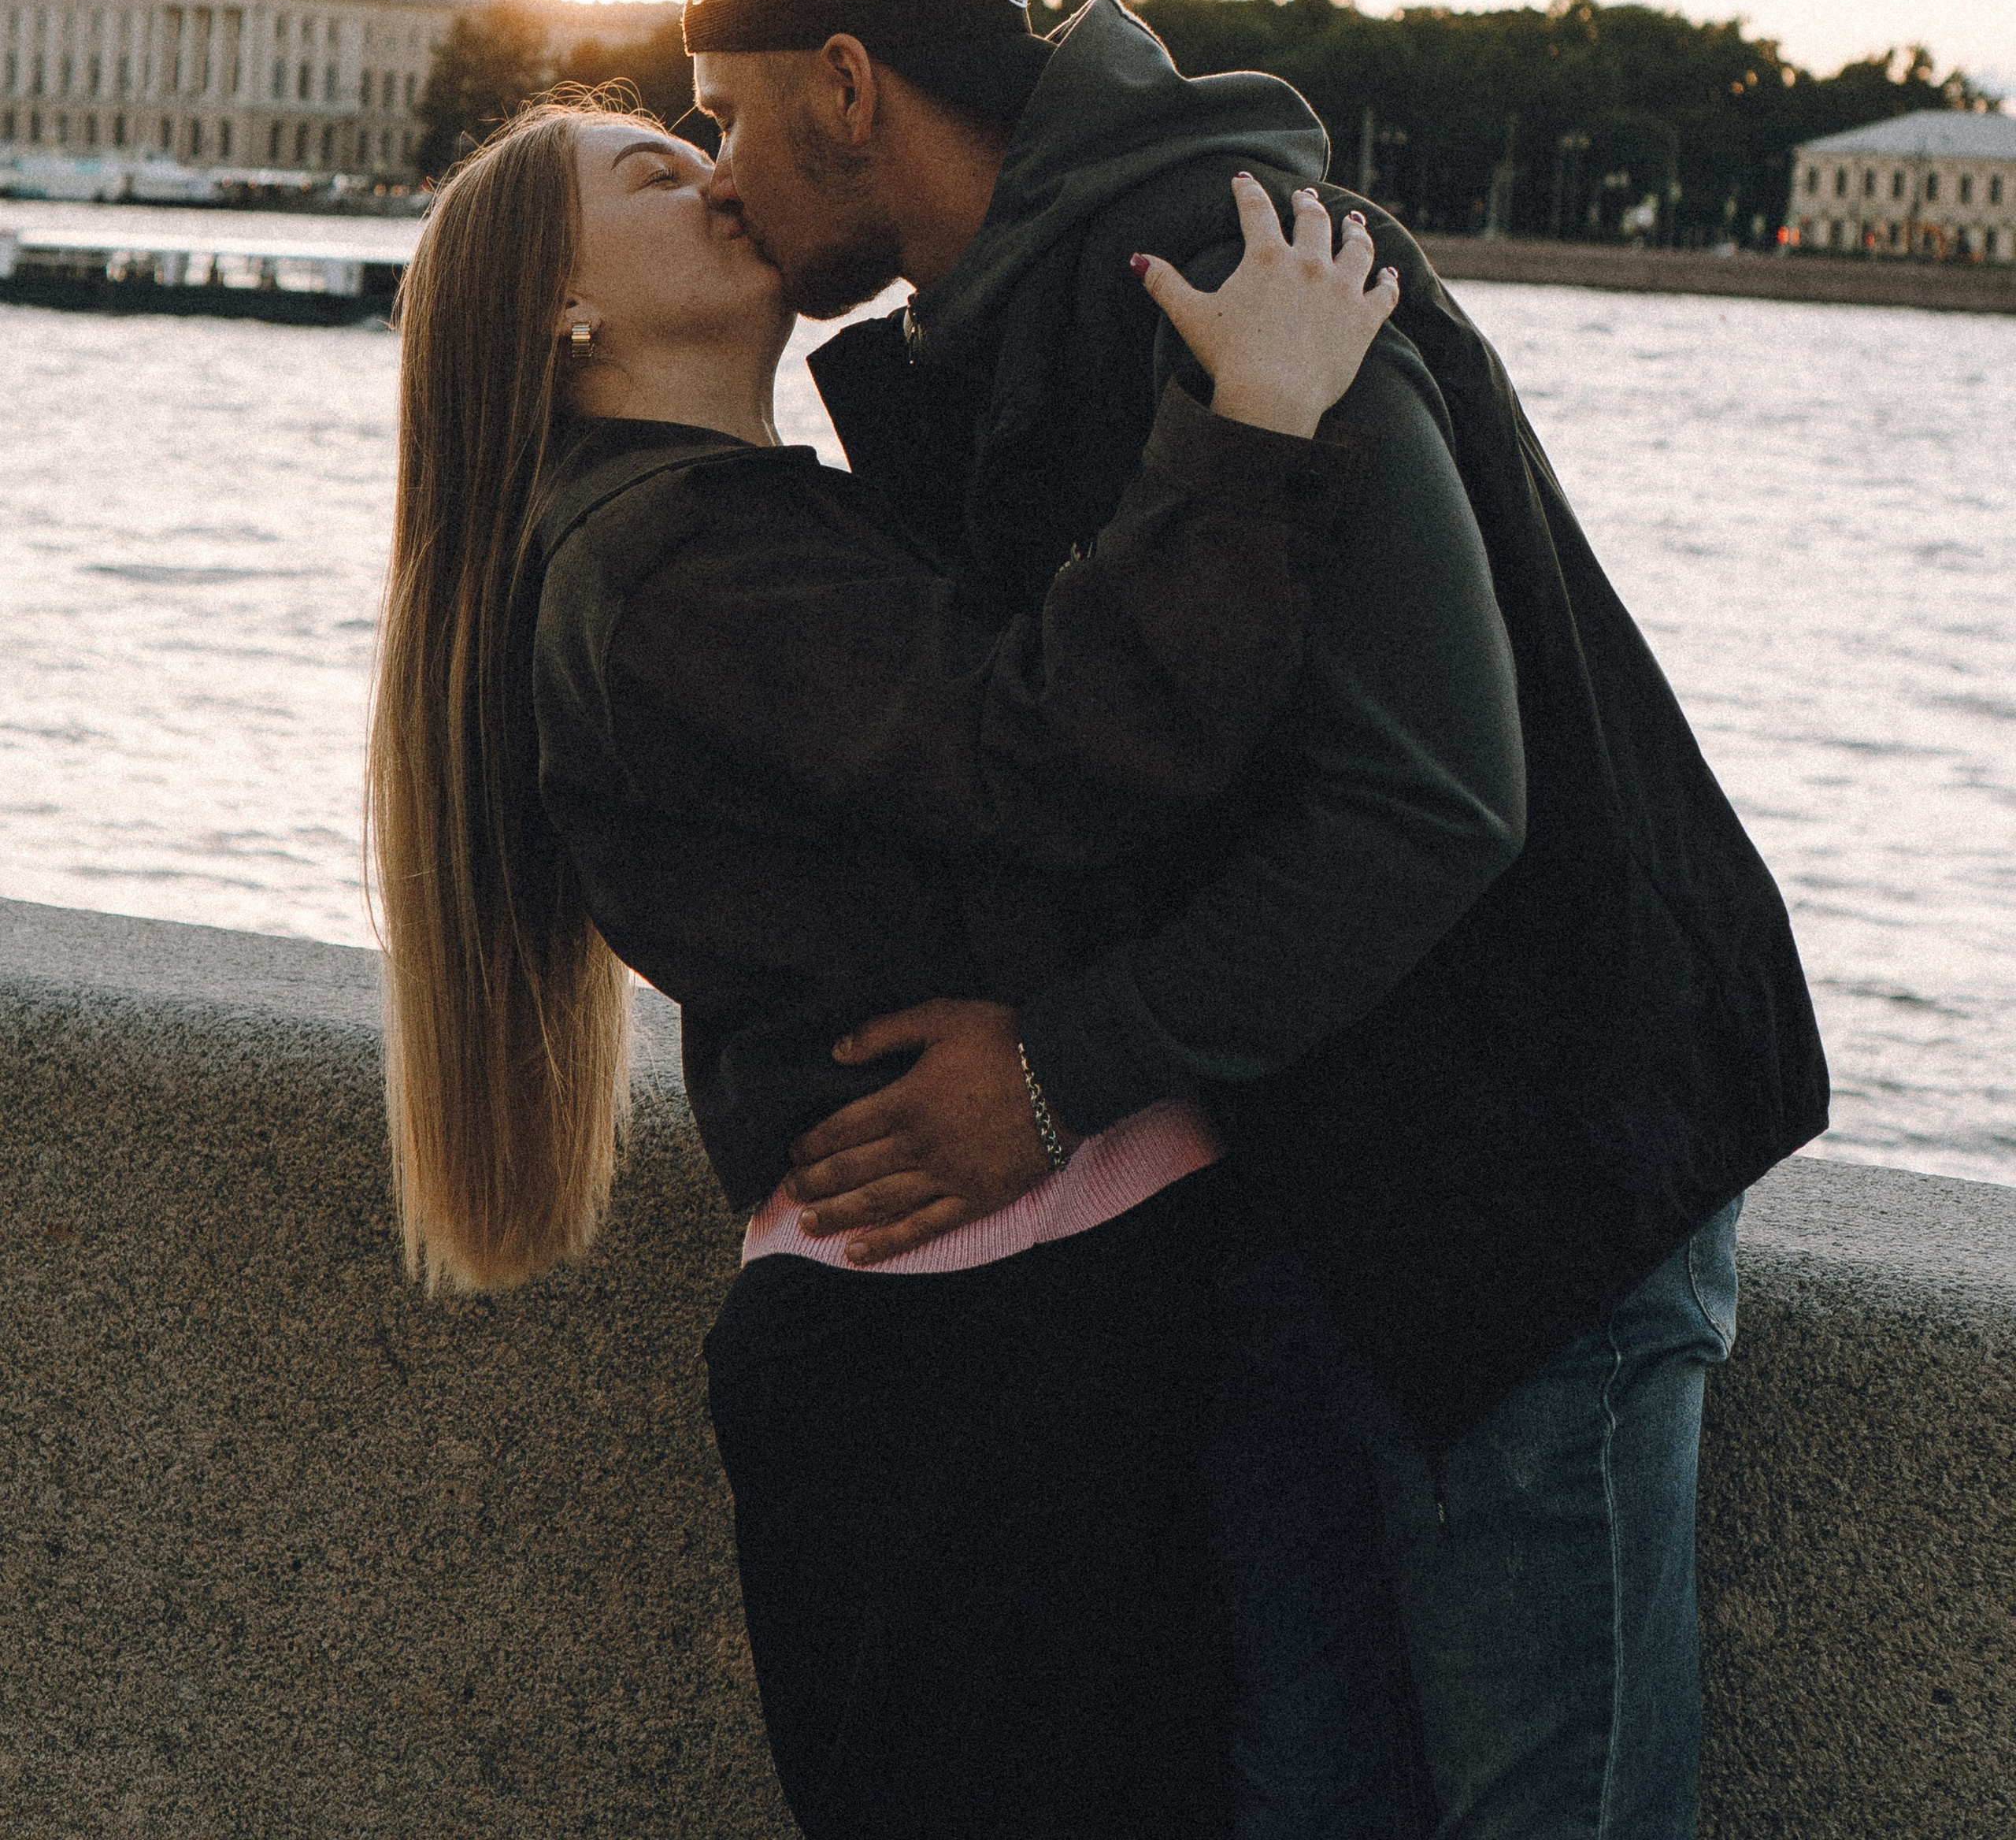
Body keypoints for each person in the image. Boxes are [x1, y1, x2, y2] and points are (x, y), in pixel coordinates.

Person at [685, 0, 1833, 1840]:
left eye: (720, 115)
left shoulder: (1226, 269)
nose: (711, 173)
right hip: (1328, 1175)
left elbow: (1431, 800)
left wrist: (1056, 1074)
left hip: (1522, 1179)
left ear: (846, 84)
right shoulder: (1036, 311)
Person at [367, 92, 1401, 1840]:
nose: (714, 169)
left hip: (968, 1342)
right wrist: (1263, 413)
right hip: (972, 1362)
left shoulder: (688, 528)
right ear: (565, 314)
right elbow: (1058, 747)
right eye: (651, 171)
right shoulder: (672, 561)